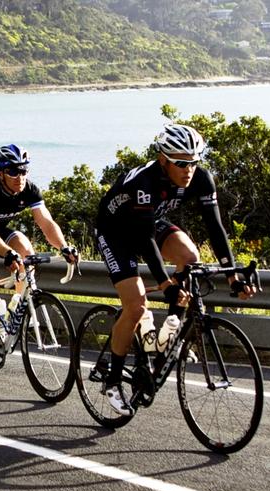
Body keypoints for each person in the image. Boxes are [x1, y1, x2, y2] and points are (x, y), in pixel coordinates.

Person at [93, 123, 256, 416]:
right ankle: (113, 380)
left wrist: (232, 274)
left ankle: (168, 334)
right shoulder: (145, 182)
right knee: (135, 304)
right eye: (181, 163)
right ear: (163, 159)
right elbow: (143, 241)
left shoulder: (201, 179)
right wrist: (166, 284)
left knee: (191, 256)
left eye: (194, 162)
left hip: (148, 222)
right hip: (116, 232)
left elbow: (216, 228)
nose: (188, 169)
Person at [0, 143, 75, 374]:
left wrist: (64, 246)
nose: (20, 176)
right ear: (1, 173)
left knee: (26, 251)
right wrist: (7, 254)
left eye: (24, 170)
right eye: (13, 171)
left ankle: (17, 307)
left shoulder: (29, 189)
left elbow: (46, 223)